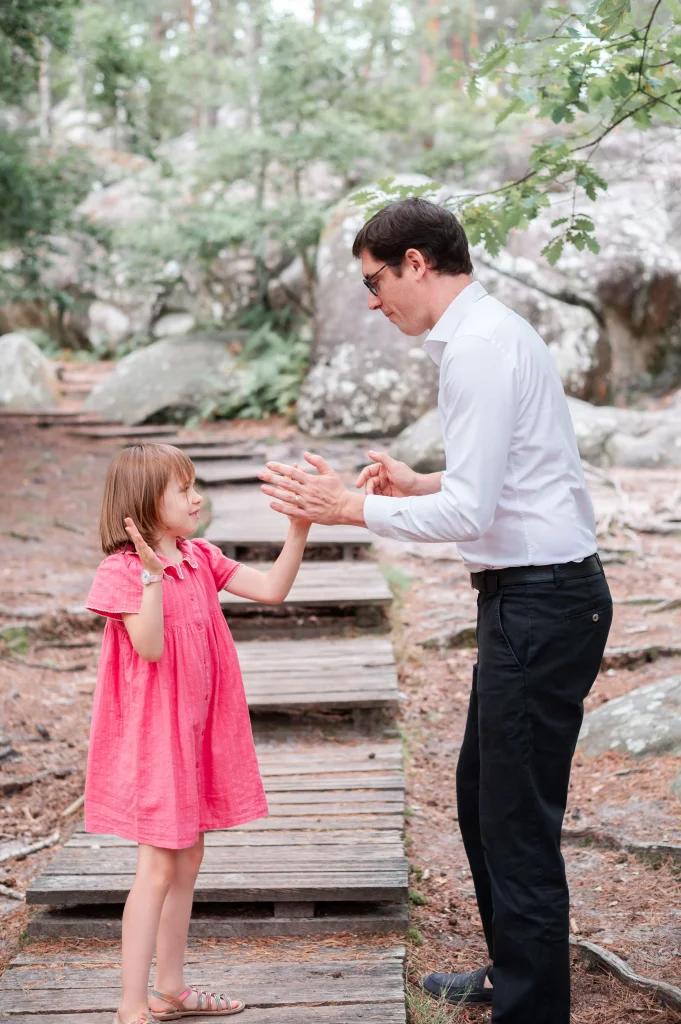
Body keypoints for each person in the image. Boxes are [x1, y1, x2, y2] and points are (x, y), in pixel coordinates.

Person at [258, 197, 612, 1024]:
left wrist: (349, 510)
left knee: (515, 821)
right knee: (479, 791)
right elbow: (500, 483)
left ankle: (530, 1008)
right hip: (530, 598)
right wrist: (420, 483)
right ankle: (511, 968)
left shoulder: (480, 348)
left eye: (375, 281)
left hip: (541, 601)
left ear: (416, 261)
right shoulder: (485, 337)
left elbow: (473, 515)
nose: (373, 302)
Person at [85, 443, 310, 1024]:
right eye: (183, 490)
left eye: (194, 486)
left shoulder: (201, 556)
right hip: (155, 739)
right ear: (143, 503)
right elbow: (151, 646)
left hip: (197, 730)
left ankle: (171, 989)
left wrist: (298, 530)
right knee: (157, 866)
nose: (197, 498)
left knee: (188, 862)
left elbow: (271, 590)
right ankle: (131, 1006)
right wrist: (152, 578)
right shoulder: (122, 571)